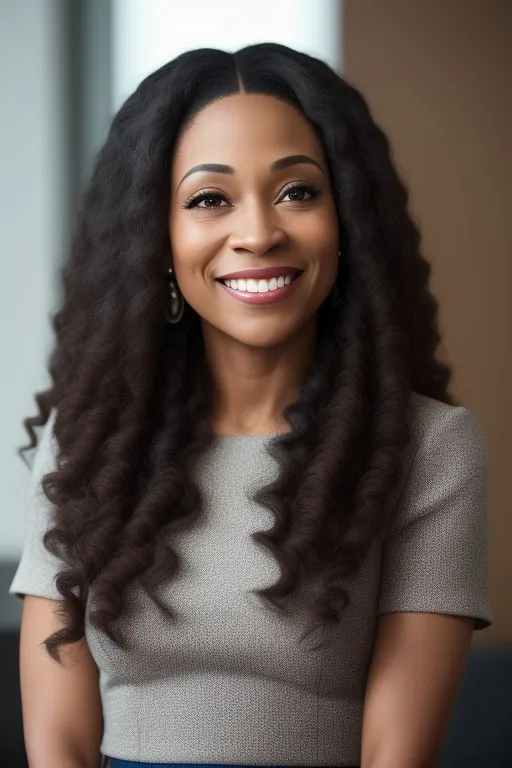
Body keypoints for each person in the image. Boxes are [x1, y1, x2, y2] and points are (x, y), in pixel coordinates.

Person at [10, 42, 492, 768]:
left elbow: (397, 756)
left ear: (348, 220)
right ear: (159, 240)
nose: (260, 232)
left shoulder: (431, 448)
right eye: (209, 199)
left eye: (298, 191)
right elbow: (60, 746)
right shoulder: (84, 444)